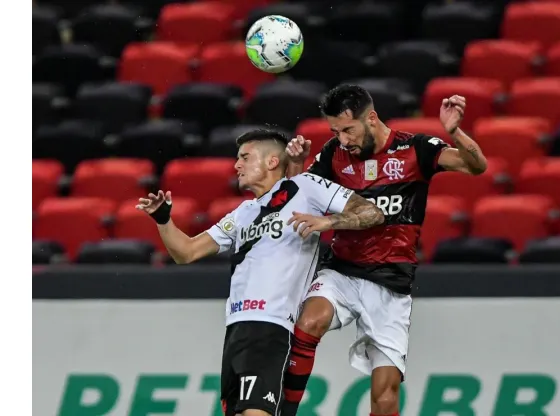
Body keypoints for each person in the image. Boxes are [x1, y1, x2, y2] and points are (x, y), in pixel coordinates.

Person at [134, 129, 384, 416]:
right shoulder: (243, 213)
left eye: (245, 157)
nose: (236, 165)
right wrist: (164, 220)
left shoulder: (306, 188)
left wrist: (329, 223)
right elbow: (186, 252)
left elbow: (371, 212)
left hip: (273, 326)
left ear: (272, 162)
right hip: (236, 329)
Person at [280, 85, 488, 416]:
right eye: (336, 131)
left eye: (348, 129)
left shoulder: (415, 148)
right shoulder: (334, 154)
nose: (343, 139)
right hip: (343, 272)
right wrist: (294, 164)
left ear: (371, 118)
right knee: (310, 321)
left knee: (385, 398)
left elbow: (476, 166)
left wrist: (455, 133)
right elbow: (294, 198)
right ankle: (284, 411)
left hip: (392, 283)